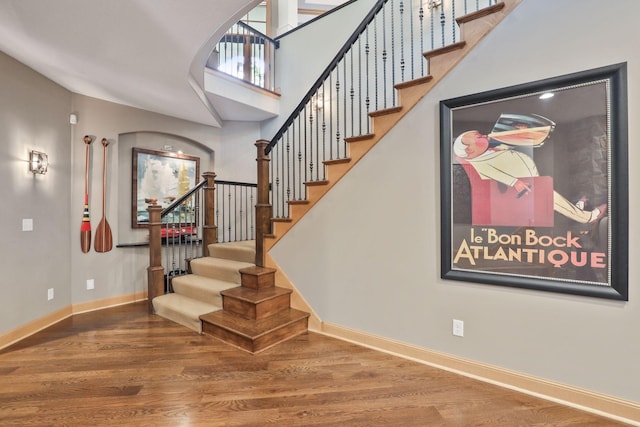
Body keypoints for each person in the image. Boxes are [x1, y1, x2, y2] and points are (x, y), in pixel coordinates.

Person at [453, 130, 606, 224]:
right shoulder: (478, 162)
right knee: (549, 198)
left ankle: (575, 211)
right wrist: (515, 182)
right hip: (519, 188)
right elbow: (494, 173)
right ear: (469, 150)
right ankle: (586, 217)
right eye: (478, 137)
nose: (484, 136)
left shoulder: (489, 151)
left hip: (529, 180)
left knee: (550, 200)